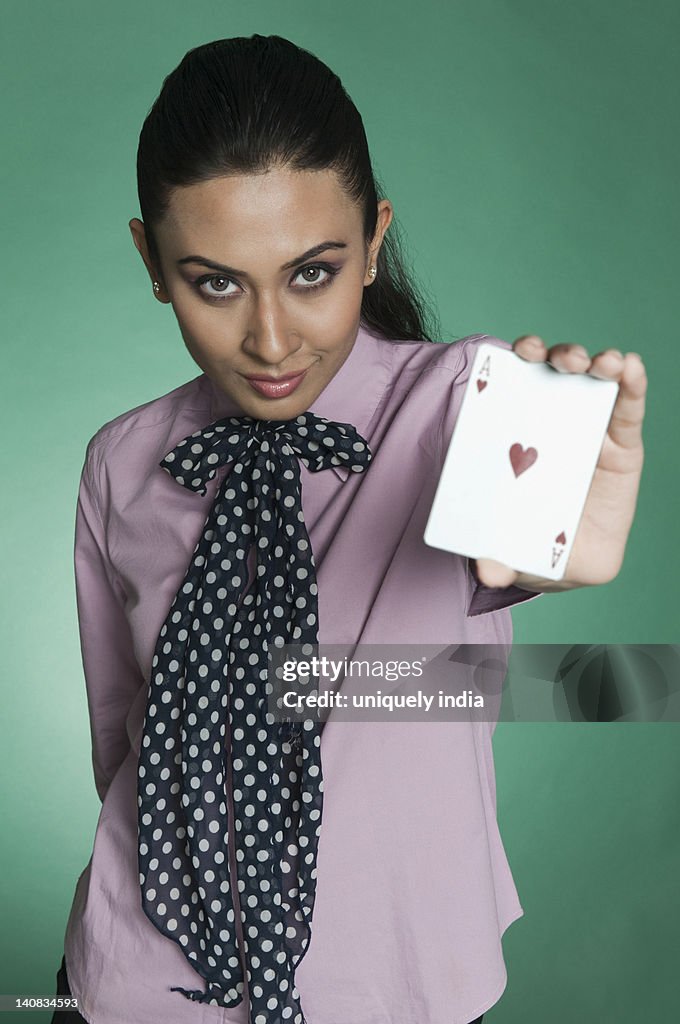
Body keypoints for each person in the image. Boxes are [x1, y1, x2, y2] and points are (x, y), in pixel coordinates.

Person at [51, 34, 647, 1024]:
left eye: (312, 273)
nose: (272, 339)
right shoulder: (121, 461)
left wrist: (558, 544)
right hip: (132, 979)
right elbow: (124, 737)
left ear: (372, 241)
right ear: (152, 263)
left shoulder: (461, 400)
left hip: (389, 989)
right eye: (215, 282)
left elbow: (539, 521)